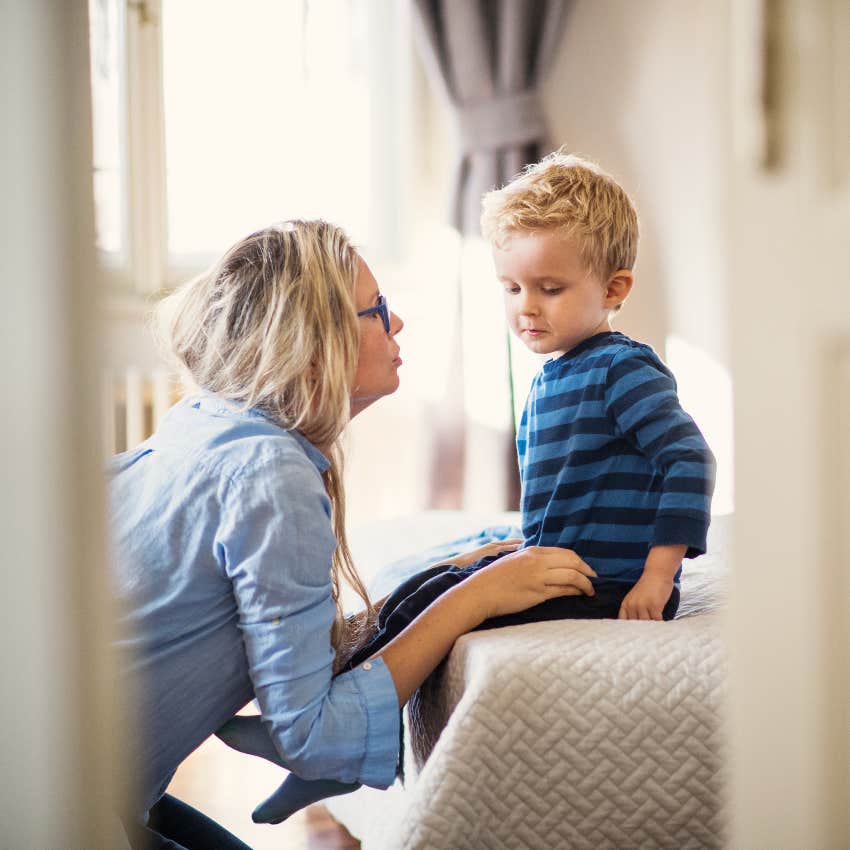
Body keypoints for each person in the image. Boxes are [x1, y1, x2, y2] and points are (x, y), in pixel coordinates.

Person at [220, 153, 716, 824]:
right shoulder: (559, 373)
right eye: (511, 289)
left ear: (614, 287)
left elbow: (689, 460)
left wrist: (658, 577)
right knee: (427, 585)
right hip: (568, 562)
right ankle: (320, 730)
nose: (526, 308)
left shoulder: (622, 371)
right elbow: (582, 485)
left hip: (607, 585)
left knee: (441, 610)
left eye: (549, 288)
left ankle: (328, 754)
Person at [110, 219, 598, 849]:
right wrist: (477, 598)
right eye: (379, 311)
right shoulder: (271, 474)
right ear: (314, 346)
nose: (397, 326)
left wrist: (446, 576)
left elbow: (291, 642)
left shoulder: (203, 423)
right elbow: (310, 732)